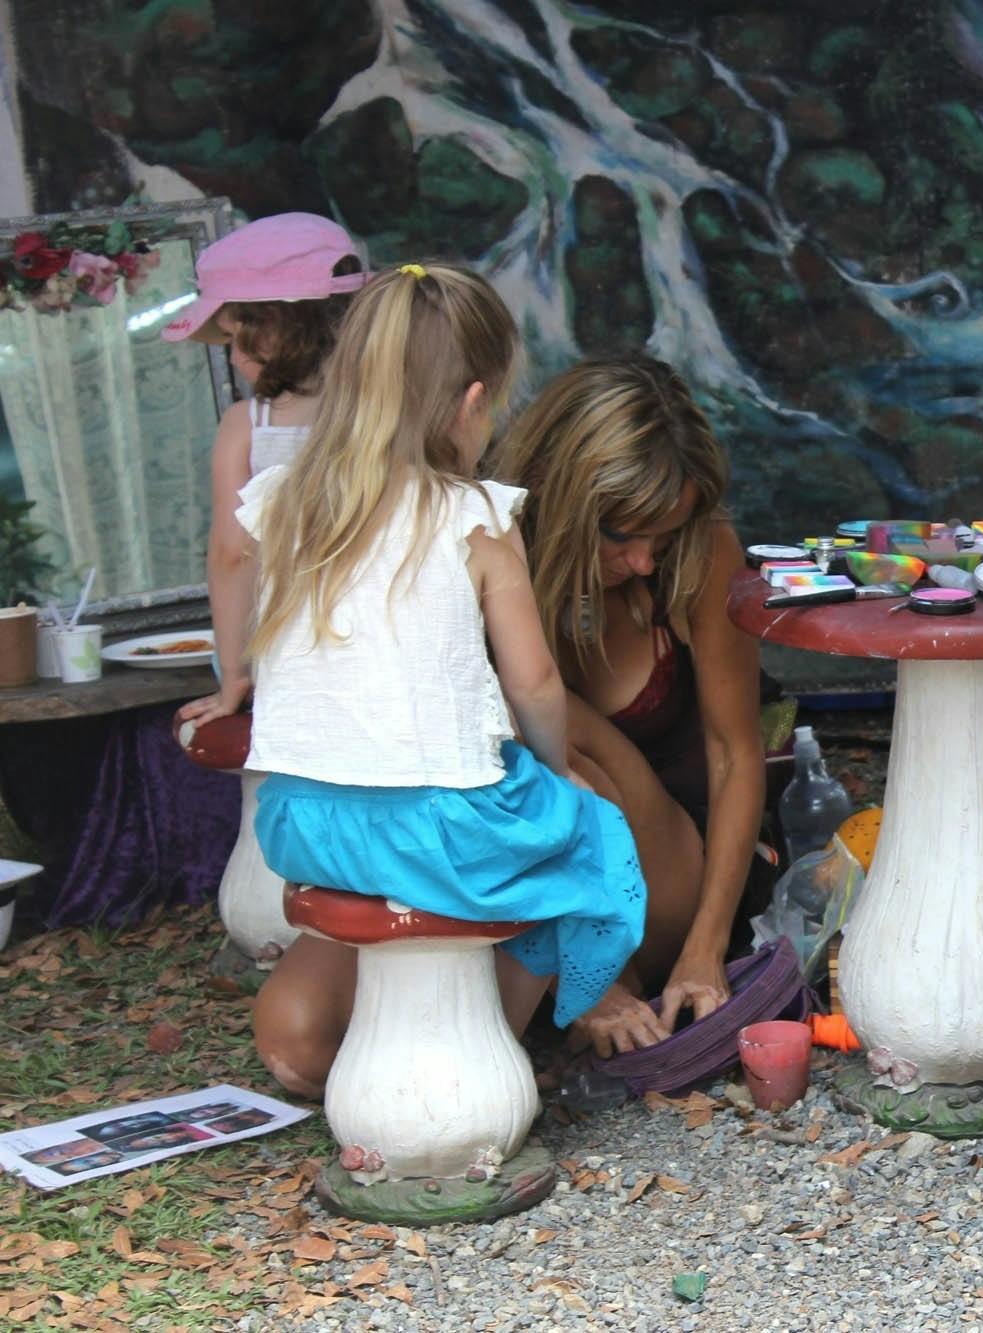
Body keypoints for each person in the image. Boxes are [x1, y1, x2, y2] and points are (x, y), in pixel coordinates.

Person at [231, 263, 646, 1095]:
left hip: (298, 820)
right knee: (593, 838)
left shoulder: (282, 502)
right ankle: (488, 1034)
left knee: (497, 826)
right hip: (433, 825)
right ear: (470, 402)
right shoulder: (476, 515)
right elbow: (532, 682)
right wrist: (554, 763)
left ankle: (404, 1041)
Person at [489, 358, 767, 1057]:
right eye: (623, 534)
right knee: (299, 1035)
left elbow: (736, 753)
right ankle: (580, 979)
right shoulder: (492, 545)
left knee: (573, 740)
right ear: (562, 497)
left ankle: (606, 980)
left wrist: (705, 949)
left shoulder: (703, 552)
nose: (646, 561)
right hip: (531, 877)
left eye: (663, 535)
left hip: (672, 869)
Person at [165, 213, 369, 729]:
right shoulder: (385, 411)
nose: (231, 357)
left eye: (235, 337)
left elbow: (233, 553)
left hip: (287, 654)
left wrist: (234, 670)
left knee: (267, 798)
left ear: (275, 325)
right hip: (382, 643)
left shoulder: (247, 426)